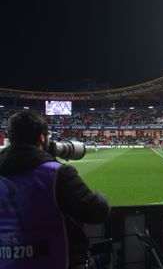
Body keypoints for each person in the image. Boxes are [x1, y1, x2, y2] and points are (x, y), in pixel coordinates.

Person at [0, 112, 110, 269]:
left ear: (10, 137)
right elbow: (97, 211)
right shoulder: (55, 173)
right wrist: (102, 196)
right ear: (42, 138)